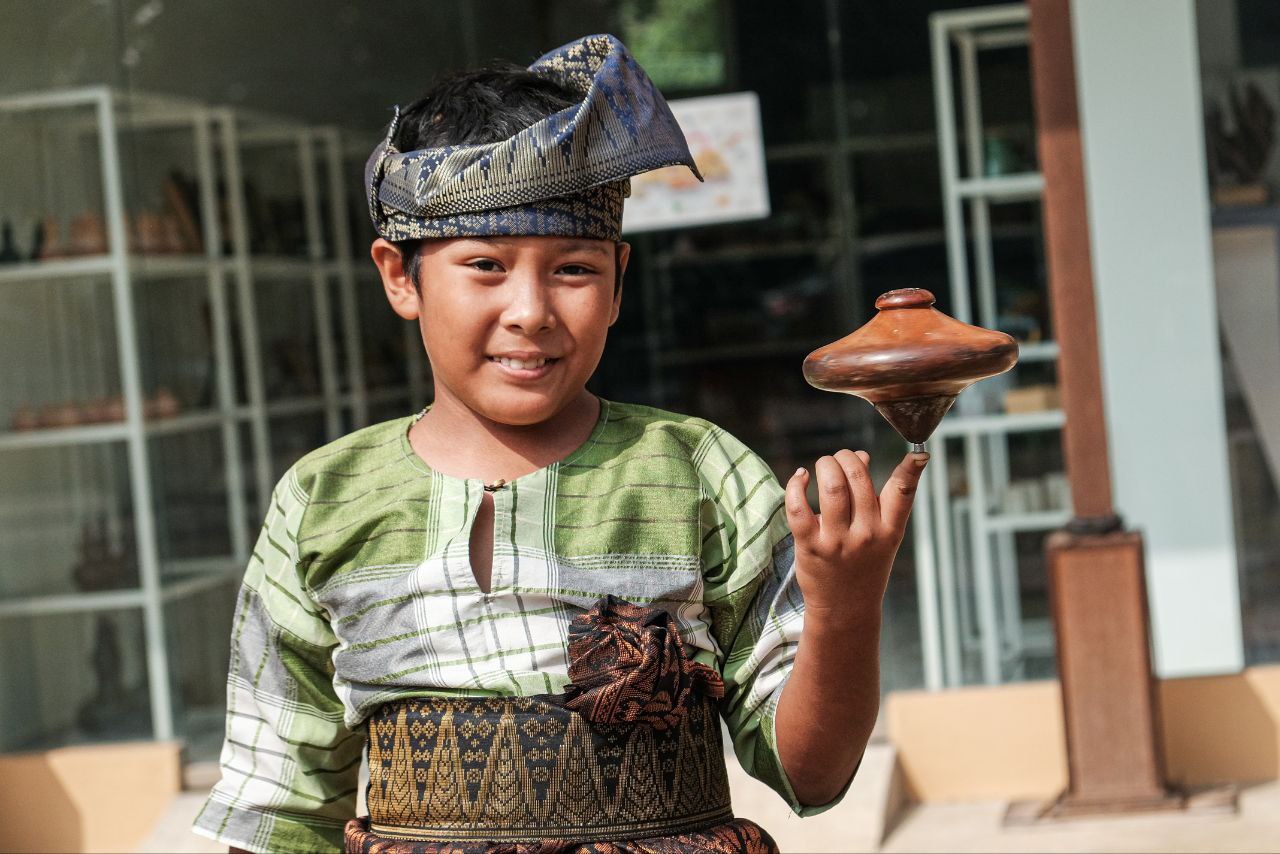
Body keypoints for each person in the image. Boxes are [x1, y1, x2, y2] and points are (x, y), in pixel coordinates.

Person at [193, 34, 927, 854]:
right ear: (400, 276)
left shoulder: (701, 475)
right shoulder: (324, 498)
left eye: (573, 269)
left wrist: (845, 608)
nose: (531, 311)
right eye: (486, 265)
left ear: (618, 282)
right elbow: (280, 805)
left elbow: (813, 774)